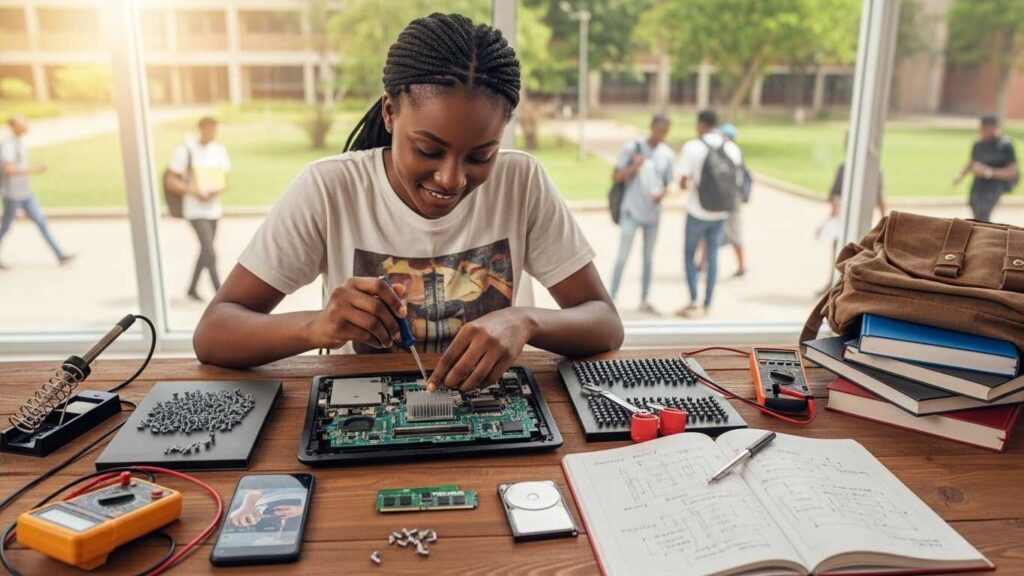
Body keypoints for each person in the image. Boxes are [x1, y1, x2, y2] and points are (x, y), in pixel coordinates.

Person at [192, 13, 623, 390]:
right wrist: (316, 326)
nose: (451, 179)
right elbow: (213, 333)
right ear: (390, 114)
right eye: (428, 150)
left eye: (480, 156)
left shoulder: (522, 181)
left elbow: (604, 323)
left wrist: (524, 321)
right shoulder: (328, 188)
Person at [675, 110, 741, 319]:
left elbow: (683, 182)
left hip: (698, 210)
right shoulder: (732, 148)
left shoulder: (693, 147)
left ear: (700, 124)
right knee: (713, 256)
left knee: (689, 255)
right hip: (721, 212)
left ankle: (694, 300)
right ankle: (708, 302)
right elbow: (736, 182)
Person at [608, 113, 673, 314]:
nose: (661, 135)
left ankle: (645, 299)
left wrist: (661, 194)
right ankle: (611, 299)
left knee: (648, 258)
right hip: (631, 211)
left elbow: (668, 182)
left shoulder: (667, 154)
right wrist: (634, 167)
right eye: (659, 130)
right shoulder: (632, 148)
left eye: (665, 132)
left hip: (652, 214)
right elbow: (616, 176)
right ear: (651, 127)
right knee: (622, 256)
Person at [166, 116, 230, 301]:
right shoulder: (185, 151)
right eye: (210, 130)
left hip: (213, 209)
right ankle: (221, 294)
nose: (213, 134)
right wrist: (193, 191)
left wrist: (217, 189)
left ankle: (191, 289)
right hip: (194, 209)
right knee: (209, 250)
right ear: (201, 129)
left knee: (205, 250)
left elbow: (224, 178)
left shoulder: (218, 150)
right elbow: (171, 180)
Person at [817, 131, 886, 294]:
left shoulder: (846, 168)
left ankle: (838, 285)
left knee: (844, 253)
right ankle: (839, 285)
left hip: (848, 221)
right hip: (851, 221)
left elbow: (833, 196)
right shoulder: (873, 170)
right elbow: (880, 199)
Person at [0, 115, 73, 269]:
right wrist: (36, 169)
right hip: (13, 195)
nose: (26, 126)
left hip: (25, 193)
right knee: (5, 227)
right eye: (23, 123)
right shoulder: (8, 145)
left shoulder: (18, 143)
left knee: (41, 222)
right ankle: (60, 255)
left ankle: (60, 255)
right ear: (14, 126)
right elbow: (9, 169)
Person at [953, 115, 1019, 222]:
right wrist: (961, 175)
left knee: (983, 212)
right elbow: (972, 161)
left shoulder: (1004, 145)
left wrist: (989, 172)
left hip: (994, 184)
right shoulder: (978, 143)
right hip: (979, 182)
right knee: (974, 205)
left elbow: (1013, 171)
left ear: (993, 128)